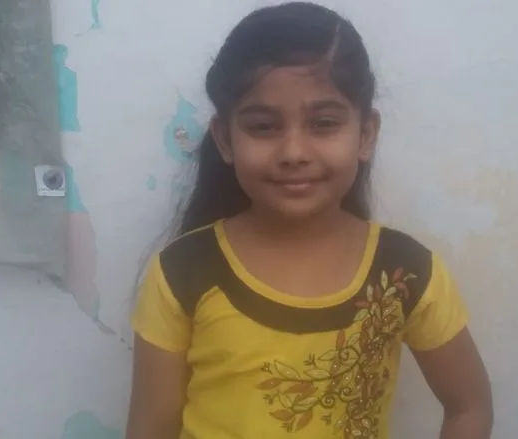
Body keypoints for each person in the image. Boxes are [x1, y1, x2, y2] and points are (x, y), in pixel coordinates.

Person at [126, 3, 493, 439]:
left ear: (366, 134)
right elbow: (150, 428)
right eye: (264, 127)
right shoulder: (183, 271)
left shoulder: (403, 272)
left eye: (323, 123)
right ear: (225, 139)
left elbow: (469, 407)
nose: (294, 152)